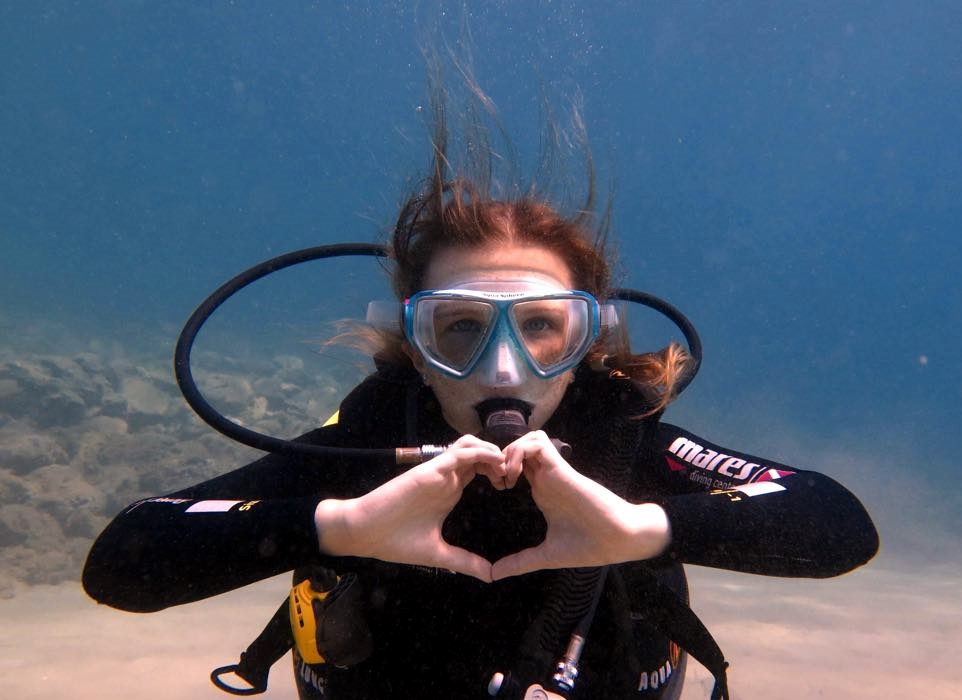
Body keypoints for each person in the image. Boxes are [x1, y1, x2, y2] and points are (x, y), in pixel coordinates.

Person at [82, 102, 879, 699]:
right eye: (458, 329)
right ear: (414, 350)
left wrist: (645, 528)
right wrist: (337, 523)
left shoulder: (621, 438)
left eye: (541, 327)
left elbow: (836, 522)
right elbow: (124, 559)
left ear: (587, 342)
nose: (503, 368)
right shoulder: (369, 437)